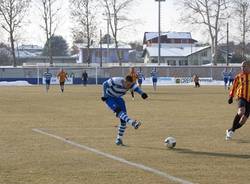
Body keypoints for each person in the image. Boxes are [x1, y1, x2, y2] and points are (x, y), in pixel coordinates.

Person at [101, 75, 148, 146]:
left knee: (123, 120)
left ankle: (119, 139)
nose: (129, 87)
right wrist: (104, 95)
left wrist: (142, 94)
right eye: (128, 84)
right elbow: (105, 84)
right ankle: (132, 123)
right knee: (118, 111)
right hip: (109, 98)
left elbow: (137, 89)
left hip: (118, 99)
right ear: (125, 81)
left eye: (130, 85)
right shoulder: (116, 80)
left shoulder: (130, 85)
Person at [226, 61, 250, 140]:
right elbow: (234, 87)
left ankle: (230, 130)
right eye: (242, 66)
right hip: (241, 97)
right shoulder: (238, 76)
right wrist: (231, 97)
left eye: (245, 66)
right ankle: (231, 132)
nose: (243, 68)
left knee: (243, 121)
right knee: (241, 111)